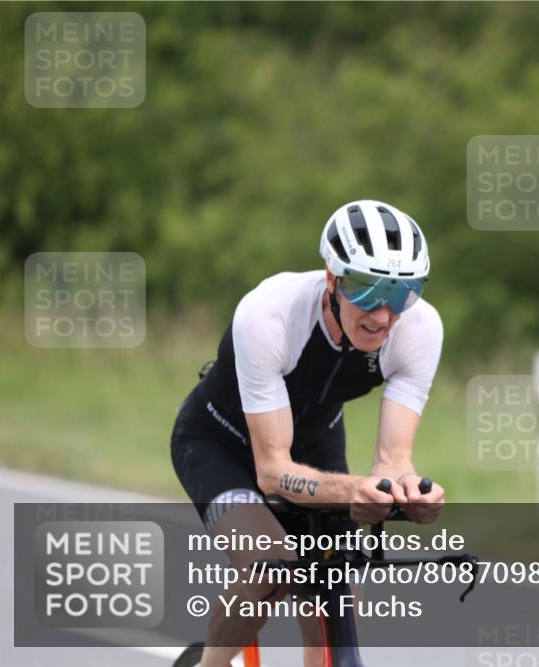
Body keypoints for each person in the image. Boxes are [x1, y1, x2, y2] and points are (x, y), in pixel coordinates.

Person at [170, 199, 444, 667]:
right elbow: (273, 471)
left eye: (401, 293)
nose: (382, 314)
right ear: (332, 279)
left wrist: (409, 492)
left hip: (315, 446)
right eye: (366, 290)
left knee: (337, 589)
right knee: (267, 569)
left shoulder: (420, 329)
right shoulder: (269, 313)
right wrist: (352, 488)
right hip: (218, 443)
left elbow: (394, 459)